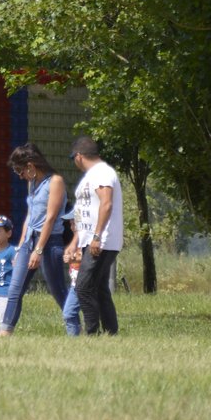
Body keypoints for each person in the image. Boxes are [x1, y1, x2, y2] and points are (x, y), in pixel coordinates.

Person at [0, 143, 70, 336]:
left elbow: (50, 218)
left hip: (49, 243)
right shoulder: (33, 183)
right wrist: (20, 247)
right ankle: (5, 335)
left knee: (58, 291)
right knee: (15, 289)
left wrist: (38, 250)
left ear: (30, 165)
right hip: (29, 241)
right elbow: (30, 217)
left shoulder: (55, 182)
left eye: (20, 171)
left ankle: (77, 329)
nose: (20, 176)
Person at [67, 136, 124, 335]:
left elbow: (106, 203)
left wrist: (97, 237)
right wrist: (76, 241)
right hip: (92, 240)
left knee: (83, 287)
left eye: (73, 158)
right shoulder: (93, 175)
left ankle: (92, 334)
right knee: (99, 288)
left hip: (102, 241)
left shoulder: (102, 173)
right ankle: (111, 333)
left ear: (79, 156)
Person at [59, 216, 82, 336]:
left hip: (83, 284)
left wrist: (74, 257)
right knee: (69, 313)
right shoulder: (73, 242)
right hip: (74, 285)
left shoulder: (86, 239)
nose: (73, 227)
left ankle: (75, 339)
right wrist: (67, 258)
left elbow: (87, 257)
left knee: (69, 313)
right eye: (71, 224)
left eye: (75, 224)